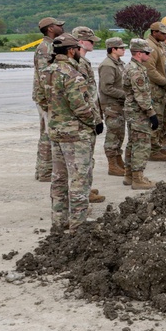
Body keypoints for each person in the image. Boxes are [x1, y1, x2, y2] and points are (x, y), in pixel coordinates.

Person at [47, 34, 102, 231]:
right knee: (79, 179)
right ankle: (78, 224)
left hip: (56, 131)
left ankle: (59, 221)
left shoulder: (48, 70)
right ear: (71, 51)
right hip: (76, 134)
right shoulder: (71, 74)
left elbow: (41, 98)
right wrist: (94, 122)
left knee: (59, 178)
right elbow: (80, 107)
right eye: (77, 50)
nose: (79, 53)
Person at [72, 26, 105, 203]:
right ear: (80, 42)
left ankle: (86, 187)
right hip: (85, 118)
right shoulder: (78, 64)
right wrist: (94, 118)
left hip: (91, 114)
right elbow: (83, 95)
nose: (93, 44)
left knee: (87, 157)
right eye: (91, 41)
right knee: (82, 159)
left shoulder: (82, 61)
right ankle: (83, 191)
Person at [122, 38, 159, 189]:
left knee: (133, 143)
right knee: (141, 145)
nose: (149, 55)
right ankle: (138, 178)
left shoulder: (134, 67)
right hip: (138, 113)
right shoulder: (135, 70)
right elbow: (141, 95)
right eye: (146, 53)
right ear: (138, 53)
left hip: (133, 111)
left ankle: (129, 175)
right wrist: (151, 113)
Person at [32, 16, 64, 182]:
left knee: (48, 132)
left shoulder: (50, 45)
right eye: (58, 25)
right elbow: (46, 76)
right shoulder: (45, 47)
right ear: (50, 28)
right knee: (47, 133)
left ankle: (43, 170)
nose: (61, 27)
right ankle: (45, 171)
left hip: (47, 97)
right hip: (46, 97)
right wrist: (49, 100)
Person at [98, 37, 128, 176]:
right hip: (111, 104)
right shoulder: (108, 65)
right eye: (121, 48)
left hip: (118, 104)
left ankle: (118, 160)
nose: (124, 50)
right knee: (113, 134)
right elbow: (107, 88)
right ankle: (112, 164)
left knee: (119, 133)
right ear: (113, 49)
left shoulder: (118, 63)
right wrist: (125, 95)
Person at [145, 22, 166, 161]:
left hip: (160, 89)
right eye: (162, 33)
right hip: (155, 89)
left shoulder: (158, 45)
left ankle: (157, 146)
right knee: (156, 119)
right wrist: (165, 82)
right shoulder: (150, 47)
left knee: (162, 119)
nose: (165, 35)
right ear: (154, 32)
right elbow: (150, 70)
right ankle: (153, 150)